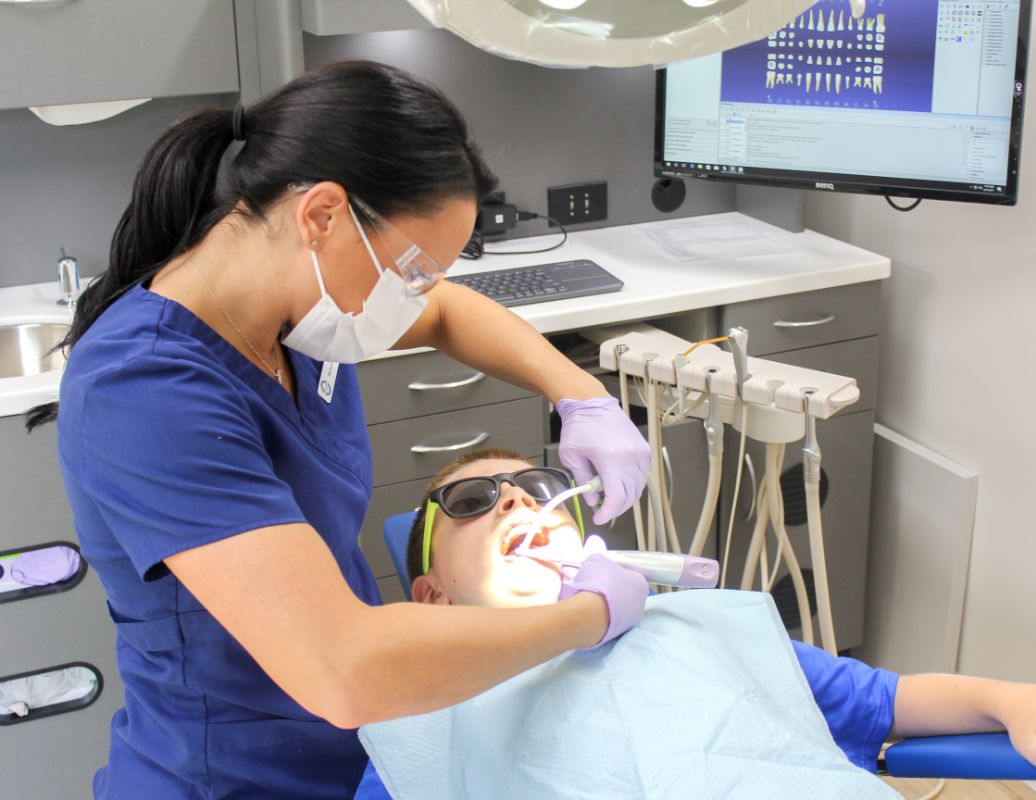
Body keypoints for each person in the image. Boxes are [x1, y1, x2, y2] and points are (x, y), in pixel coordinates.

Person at [31, 61, 653, 798]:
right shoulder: (148, 390)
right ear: (322, 215)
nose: (414, 298)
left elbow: (452, 312)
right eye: (412, 271)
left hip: (366, 749)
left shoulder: (291, 308)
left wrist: (582, 396)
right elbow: (343, 669)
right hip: (235, 776)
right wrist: (590, 614)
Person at [387, 448, 1036, 799]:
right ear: (432, 600)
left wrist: (1020, 700)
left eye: (536, 486)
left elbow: (887, 701)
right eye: (473, 501)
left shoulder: (696, 624)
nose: (516, 500)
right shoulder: (421, 711)